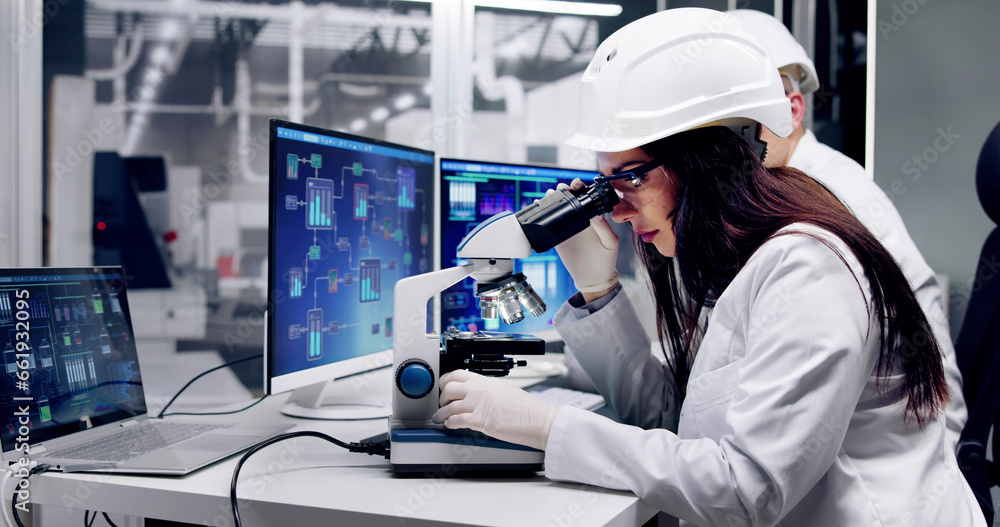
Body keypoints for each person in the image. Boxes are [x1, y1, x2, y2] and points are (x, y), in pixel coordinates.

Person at [432, 8, 984, 526]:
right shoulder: (734, 256)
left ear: (708, 161)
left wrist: (547, 426)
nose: (619, 211)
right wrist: (598, 290)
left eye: (632, 178)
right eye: (609, 184)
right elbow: (677, 425)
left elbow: (748, 490)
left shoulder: (809, 267)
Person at [729, 8, 967, 451]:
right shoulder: (760, 195)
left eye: (735, 121)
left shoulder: (838, 200)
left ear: (791, 111)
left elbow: (937, 397)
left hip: (896, 467)